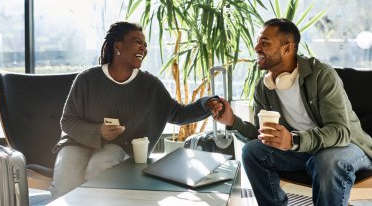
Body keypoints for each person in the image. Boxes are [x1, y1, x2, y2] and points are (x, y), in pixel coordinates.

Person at [49, 21, 223, 199]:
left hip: (118, 147)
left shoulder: (150, 85)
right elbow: (67, 121)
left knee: (100, 168)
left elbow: (178, 113)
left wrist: (206, 103)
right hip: (77, 142)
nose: (143, 49)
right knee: (64, 186)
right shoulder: (87, 79)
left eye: (145, 45)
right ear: (118, 46)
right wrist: (98, 131)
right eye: (137, 42)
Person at [215, 18, 372, 206]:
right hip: (301, 150)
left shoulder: (322, 75)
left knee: (327, 162)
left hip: (346, 147)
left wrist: (293, 140)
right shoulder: (265, 88)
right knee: (252, 152)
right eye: (257, 42)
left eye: (264, 43)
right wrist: (232, 121)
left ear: (288, 48)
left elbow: (340, 132)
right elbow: (263, 137)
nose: (256, 47)